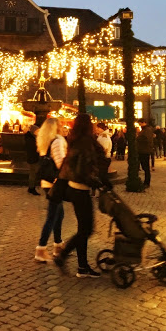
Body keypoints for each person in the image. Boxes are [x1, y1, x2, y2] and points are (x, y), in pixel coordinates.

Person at [53, 114, 109, 278]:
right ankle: (63, 256)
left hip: (75, 188)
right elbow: (84, 169)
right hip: (80, 189)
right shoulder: (84, 142)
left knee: (83, 229)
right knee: (86, 229)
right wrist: (98, 182)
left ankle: (82, 267)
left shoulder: (76, 139)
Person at [34, 118, 67, 263]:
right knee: (52, 216)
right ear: (56, 127)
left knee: (59, 214)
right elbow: (61, 163)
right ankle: (41, 249)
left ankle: (58, 245)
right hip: (55, 182)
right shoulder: (58, 141)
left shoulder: (44, 142)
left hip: (46, 182)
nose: (62, 126)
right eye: (60, 124)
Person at [136, 121, 153, 187]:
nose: (140, 125)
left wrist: (138, 138)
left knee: (146, 167)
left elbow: (147, 139)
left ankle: (147, 182)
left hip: (144, 151)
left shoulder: (147, 130)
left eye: (140, 123)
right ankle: (145, 182)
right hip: (142, 150)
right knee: (144, 167)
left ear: (144, 123)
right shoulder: (144, 130)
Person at [24, 125, 41, 195]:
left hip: (33, 157)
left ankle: (32, 187)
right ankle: (31, 188)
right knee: (33, 173)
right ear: (33, 131)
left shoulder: (31, 138)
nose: (38, 132)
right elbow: (33, 149)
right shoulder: (31, 139)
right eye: (37, 131)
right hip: (33, 158)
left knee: (33, 173)